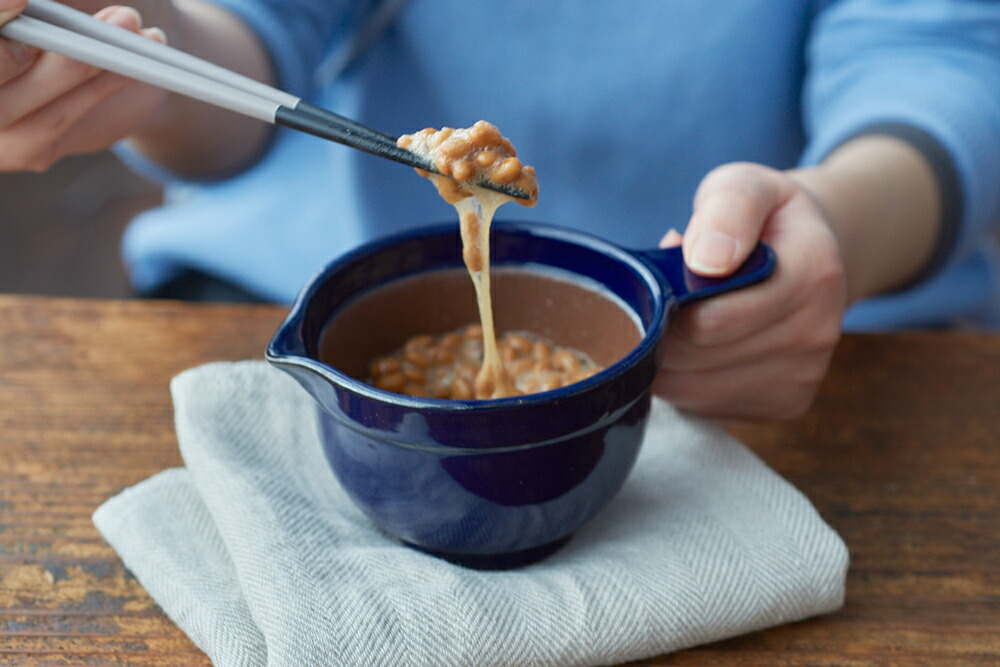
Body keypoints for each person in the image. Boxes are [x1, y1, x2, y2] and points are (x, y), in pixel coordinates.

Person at [2, 0, 999, 421]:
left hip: (787, 328)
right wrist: (142, 61)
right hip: (295, 280)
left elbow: (937, 64)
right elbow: (251, 39)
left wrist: (832, 225)